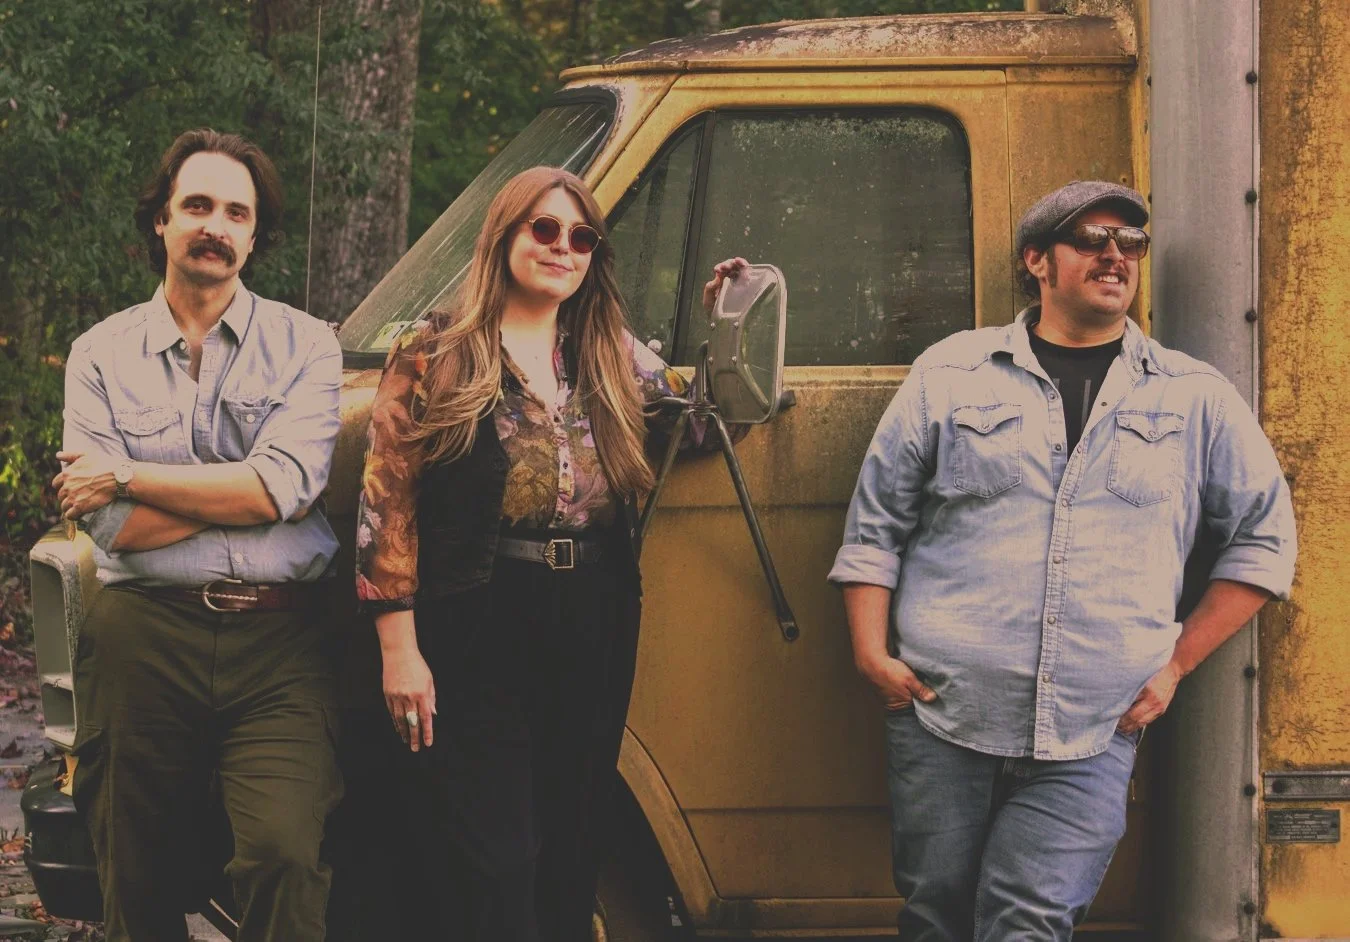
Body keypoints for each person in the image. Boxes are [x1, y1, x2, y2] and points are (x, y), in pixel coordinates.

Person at [829, 180, 1296, 941]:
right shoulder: (951, 374)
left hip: (1096, 727)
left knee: (1029, 920)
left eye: (1130, 242)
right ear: (1037, 261)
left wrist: (1176, 664)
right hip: (943, 713)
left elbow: (1265, 541)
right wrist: (870, 655)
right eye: (1090, 239)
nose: (1115, 255)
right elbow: (876, 524)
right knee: (936, 916)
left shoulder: (1194, 397)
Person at [355, 165, 745, 941]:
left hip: (594, 611)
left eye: (581, 236)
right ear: (504, 234)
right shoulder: (435, 352)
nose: (562, 246)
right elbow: (385, 506)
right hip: (477, 613)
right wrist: (400, 651)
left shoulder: (611, 352)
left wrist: (727, 326)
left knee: (573, 844)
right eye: (544, 228)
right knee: (494, 857)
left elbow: (705, 424)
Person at [54, 129, 343, 942]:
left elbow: (285, 485)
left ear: (255, 234)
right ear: (162, 219)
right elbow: (112, 527)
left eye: (236, 213)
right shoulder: (99, 355)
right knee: (133, 870)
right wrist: (250, 492)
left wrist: (127, 474)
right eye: (198, 206)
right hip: (143, 633)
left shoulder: (305, 345)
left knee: (284, 852)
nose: (216, 226)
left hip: (281, 640)